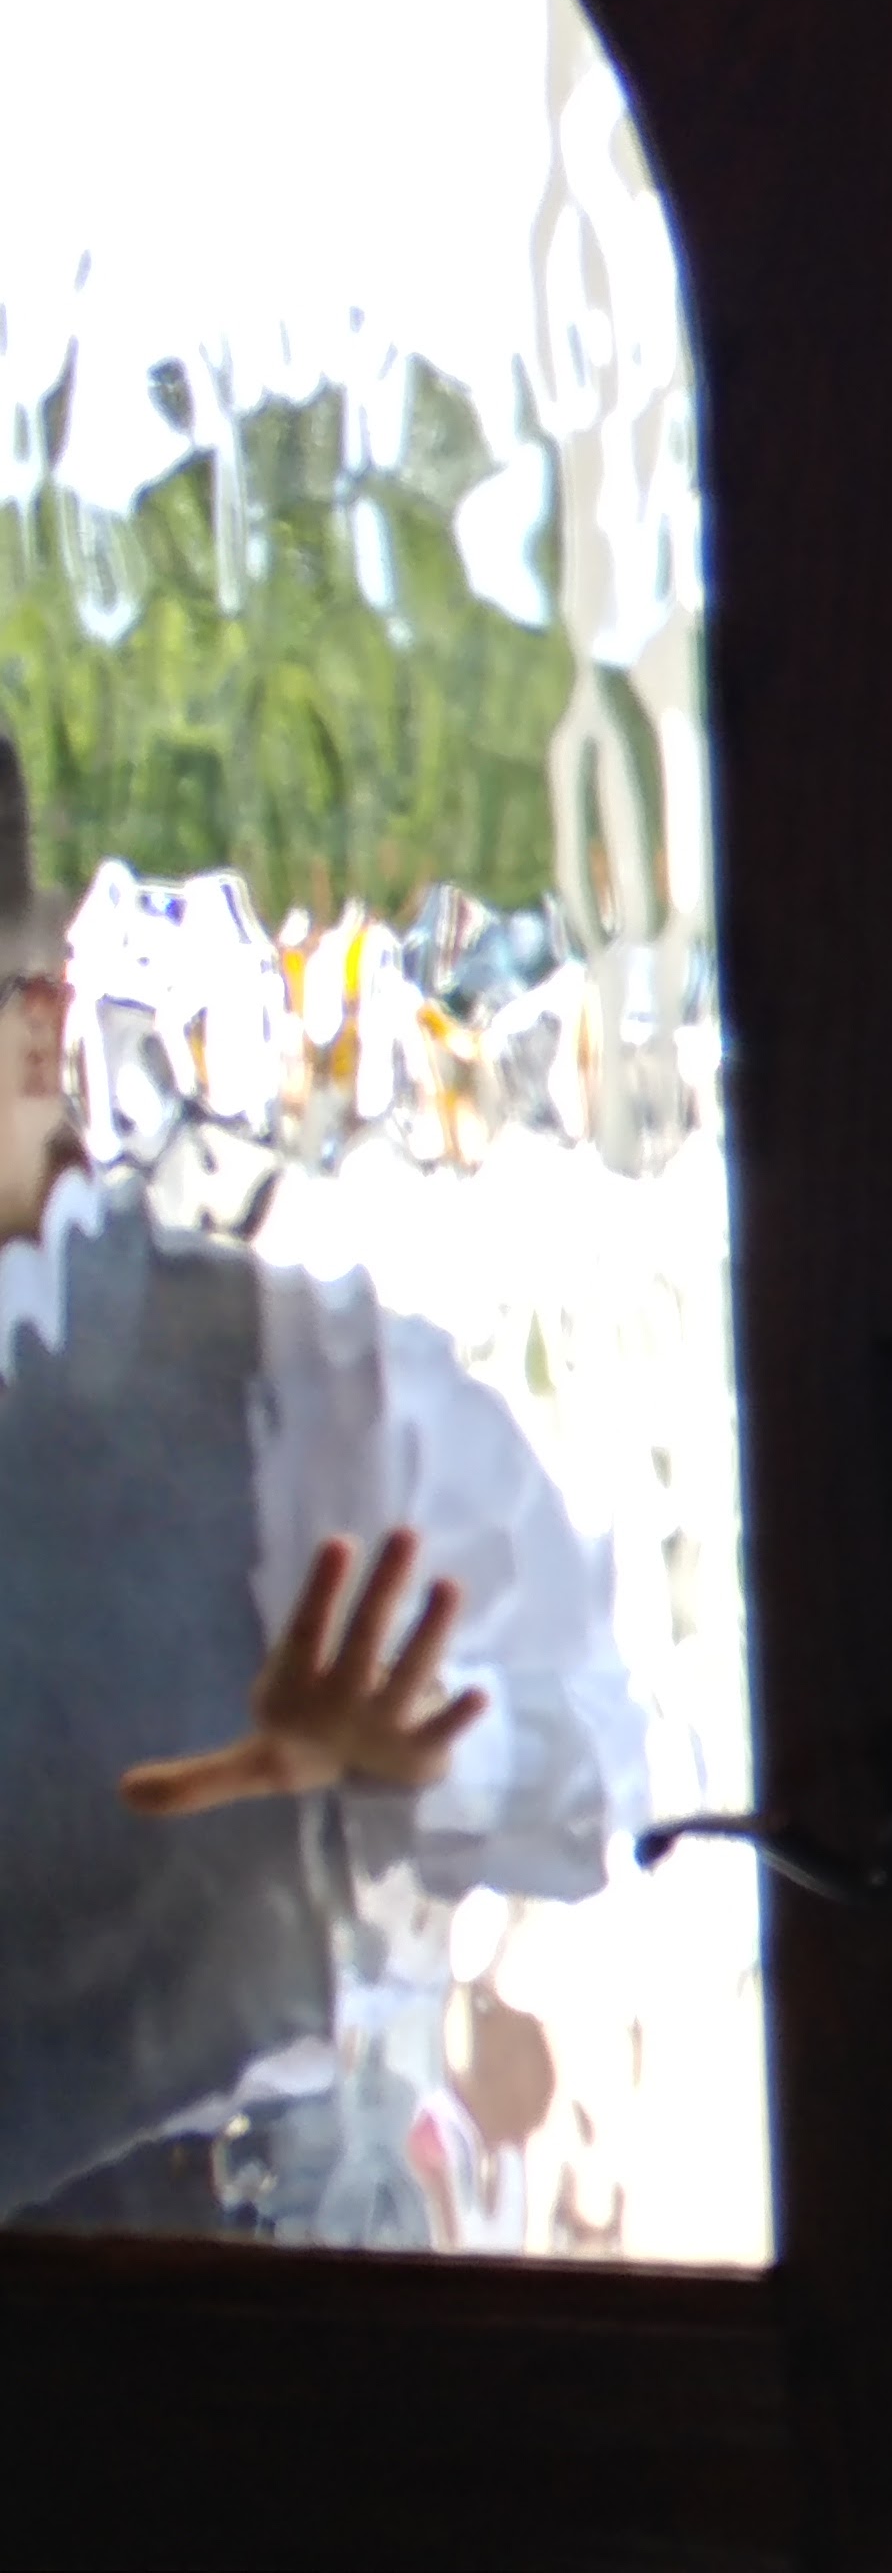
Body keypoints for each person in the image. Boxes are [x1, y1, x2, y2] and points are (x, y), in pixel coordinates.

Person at [0, 724, 645, 2232]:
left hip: (259, 2299)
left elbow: (608, 1785)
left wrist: (422, 1754)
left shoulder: (310, 1386)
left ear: (41, 1028)